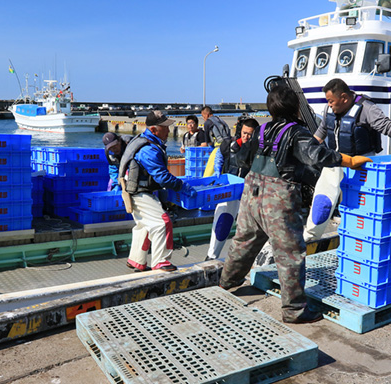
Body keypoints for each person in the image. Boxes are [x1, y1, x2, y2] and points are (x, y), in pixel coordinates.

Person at [219, 86, 371, 324]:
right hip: (277, 198)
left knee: (244, 241)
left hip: (251, 193)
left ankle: (226, 284)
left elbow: (242, 158)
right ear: (295, 107)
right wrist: (348, 160)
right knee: (289, 253)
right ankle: (294, 311)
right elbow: (317, 155)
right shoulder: (297, 132)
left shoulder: (261, 130)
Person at [304, 78, 391, 242]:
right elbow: (321, 131)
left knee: (361, 205)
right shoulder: (329, 110)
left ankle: (362, 237)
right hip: (337, 160)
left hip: (362, 163)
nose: (329, 104)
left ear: (344, 98)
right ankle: (309, 239)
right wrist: (306, 151)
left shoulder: (367, 109)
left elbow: (388, 126)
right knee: (322, 202)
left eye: (331, 101)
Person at [119, 110, 197, 272]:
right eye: (165, 127)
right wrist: (182, 186)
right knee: (163, 222)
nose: (169, 130)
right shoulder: (149, 149)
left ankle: (136, 260)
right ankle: (161, 261)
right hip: (140, 193)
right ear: (154, 130)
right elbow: (162, 177)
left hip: (132, 190)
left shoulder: (144, 141)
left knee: (144, 225)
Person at [205, 117, 259, 261]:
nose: (246, 136)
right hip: (229, 190)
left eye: (249, 134)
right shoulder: (229, 144)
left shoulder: (258, 149)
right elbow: (219, 157)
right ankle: (211, 256)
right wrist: (217, 169)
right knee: (222, 222)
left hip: (247, 193)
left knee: (248, 227)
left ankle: (244, 259)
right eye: (244, 133)